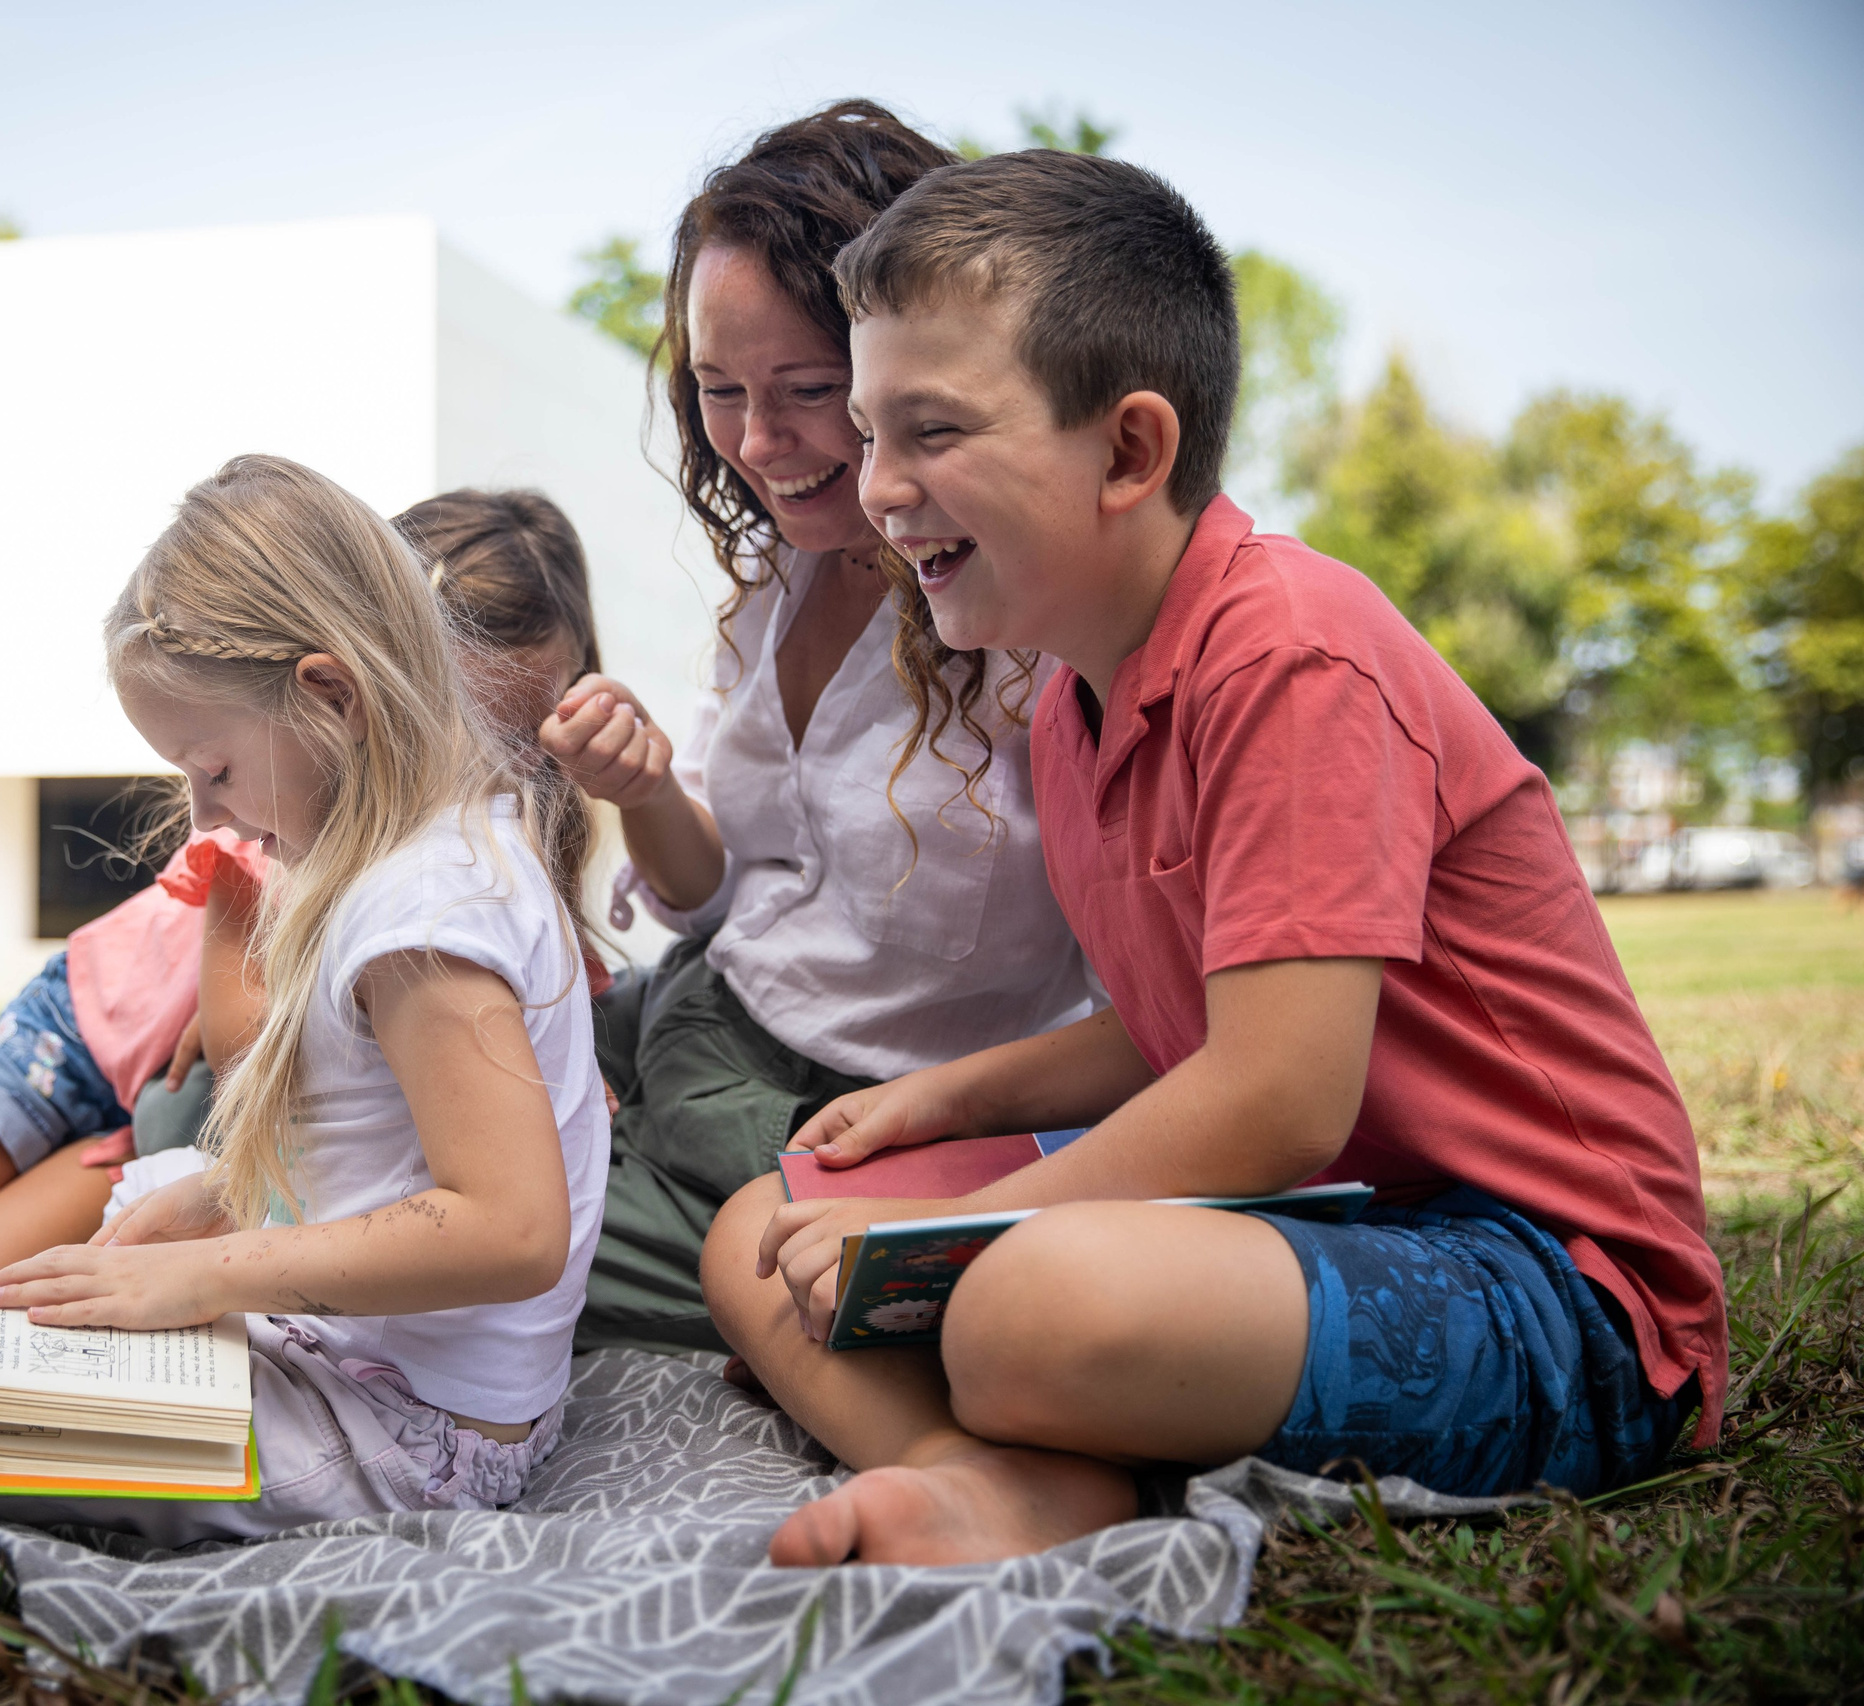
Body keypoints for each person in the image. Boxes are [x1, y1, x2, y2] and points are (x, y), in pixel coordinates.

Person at [701, 149, 1726, 1566]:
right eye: (868, 430)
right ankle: (993, 1478)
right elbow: (1182, 1019)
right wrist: (945, 1100)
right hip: (1320, 1222)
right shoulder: (1072, 689)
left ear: (1130, 450)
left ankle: (1021, 1404)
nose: (877, 488)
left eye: (929, 431)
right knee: (756, 1228)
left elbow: (1280, 1094)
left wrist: (957, 1227)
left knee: (1023, 1301)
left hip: (1557, 1284)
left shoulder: (1292, 653)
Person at [0, 455, 612, 1539]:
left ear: (331, 694)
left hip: (397, 1434)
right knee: (156, 1189)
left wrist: (207, 1275)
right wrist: (211, 1214)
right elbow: (374, 1144)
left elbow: (514, 1227)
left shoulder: (422, 912)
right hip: (376, 1376)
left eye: (216, 768)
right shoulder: (431, 837)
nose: (204, 815)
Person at [539, 101, 1097, 1356]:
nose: (752, 445)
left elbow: (1159, 1010)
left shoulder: (1038, 626)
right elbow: (716, 898)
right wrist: (636, 786)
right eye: (717, 391)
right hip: (693, 1013)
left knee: (482, 1237)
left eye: (803, 391)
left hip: (837, 1112)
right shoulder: (780, 579)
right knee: (279, 1098)